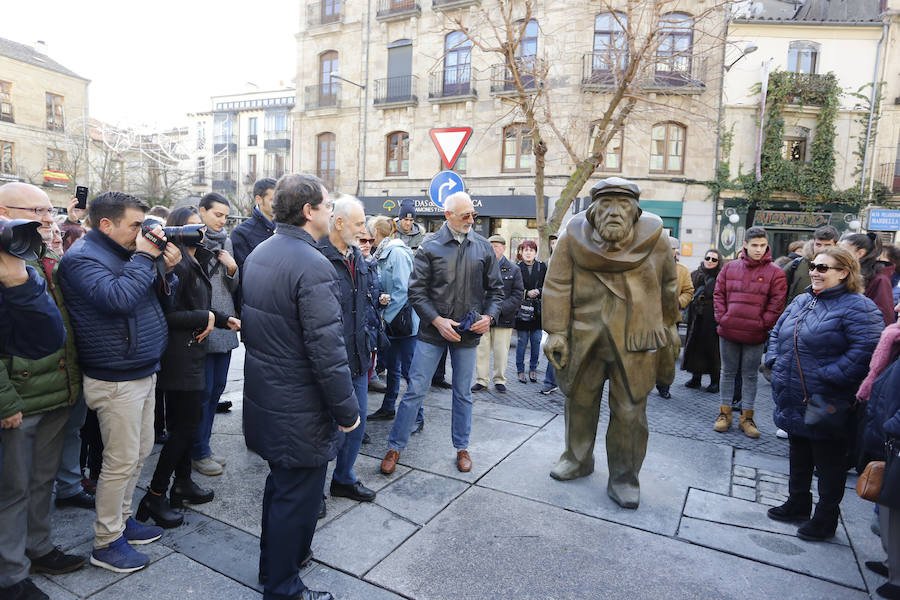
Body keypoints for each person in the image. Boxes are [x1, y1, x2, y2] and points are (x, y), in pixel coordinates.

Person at [242, 174, 359, 600]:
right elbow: (327, 352)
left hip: (270, 397)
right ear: (309, 212)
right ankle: (283, 586)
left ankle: (276, 566)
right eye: (327, 206)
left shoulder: (261, 251)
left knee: (282, 488)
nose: (332, 213)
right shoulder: (312, 264)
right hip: (299, 407)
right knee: (298, 498)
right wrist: (347, 412)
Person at [59, 191, 181, 573]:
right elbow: (118, 299)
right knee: (119, 461)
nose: (141, 233)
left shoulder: (124, 252)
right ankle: (106, 541)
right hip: (114, 377)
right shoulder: (81, 259)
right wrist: (146, 256)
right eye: (134, 226)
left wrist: (164, 269)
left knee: (138, 454)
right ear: (106, 224)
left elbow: (151, 301)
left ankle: (122, 521)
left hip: (142, 368)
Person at [542, 177, 680, 508]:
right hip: (584, 336)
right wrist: (556, 331)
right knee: (579, 402)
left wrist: (670, 327)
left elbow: (668, 287)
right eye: (606, 205)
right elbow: (557, 285)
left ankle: (624, 477)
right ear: (591, 211)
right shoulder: (571, 239)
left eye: (622, 205)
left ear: (636, 211)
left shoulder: (657, 242)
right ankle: (577, 459)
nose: (614, 212)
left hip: (636, 339)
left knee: (630, 413)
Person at [0, 183, 85, 600]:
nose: (48, 218)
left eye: (49, 209)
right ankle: (11, 573)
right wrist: (4, 399)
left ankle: (39, 547)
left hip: (58, 388)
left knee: (41, 479)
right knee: (11, 489)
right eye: (37, 210)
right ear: (3, 211)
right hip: (19, 398)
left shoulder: (46, 252)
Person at [380, 191, 503, 476]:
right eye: (465, 215)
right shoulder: (430, 246)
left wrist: (490, 316)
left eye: (473, 215)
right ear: (448, 215)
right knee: (414, 391)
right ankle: (395, 446)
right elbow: (416, 292)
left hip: (469, 333)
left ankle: (462, 447)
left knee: (463, 394)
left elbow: (496, 291)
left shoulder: (483, 247)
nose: (471, 220)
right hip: (433, 333)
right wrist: (437, 321)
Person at [765, 246, 882, 541]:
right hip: (792, 391)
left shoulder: (859, 307)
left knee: (827, 460)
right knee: (799, 449)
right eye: (813, 266)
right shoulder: (804, 299)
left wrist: (828, 377)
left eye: (823, 268)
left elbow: (866, 351)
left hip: (825, 398)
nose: (815, 272)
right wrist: (774, 361)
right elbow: (778, 332)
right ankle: (798, 503)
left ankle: (825, 519)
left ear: (844, 273)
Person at [138, 207, 240, 529]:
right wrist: (206, 318)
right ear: (175, 230)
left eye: (200, 227)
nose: (200, 232)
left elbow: (196, 307)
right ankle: (154, 495)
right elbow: (167, 316)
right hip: (179, 359)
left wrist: (222, 319)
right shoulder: (172, 263)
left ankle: (182, 485)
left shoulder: (194, 258)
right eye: (192, 227)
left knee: (186, 424)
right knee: (184, 429)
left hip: (190, 353)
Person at [318, 195, 379, 503]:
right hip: (329, 362)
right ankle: (314, 492)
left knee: (357, 424)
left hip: (358, 357)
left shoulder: (358, 257)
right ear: (338, 223)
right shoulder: (317, 257)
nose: (363, 230)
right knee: (325, 430)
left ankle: (344, 478)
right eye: (358, 223)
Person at [712, 226, 787, 438]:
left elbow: (777, 304)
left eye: (763, 245)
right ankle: (724, 414)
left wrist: (763, 324)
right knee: (727, 372)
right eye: (754, 245)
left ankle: (747, 417)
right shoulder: (729, 268)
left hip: (755, 333)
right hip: (729, 329)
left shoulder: (776, 273)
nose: (759, 249)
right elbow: (719, 295)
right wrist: (722, 318)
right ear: (745, 245)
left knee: (750, 376)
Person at [190, 193, 241, 476]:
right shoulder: (190, 240)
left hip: (225, 323)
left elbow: (231, 287)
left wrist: (233, 269)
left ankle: (204, 447)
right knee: (203, 392)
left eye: (225, 216)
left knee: (216, 391)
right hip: (201, 323)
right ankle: (197, 451)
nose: (223, 221)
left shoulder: (227, 242)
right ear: (202, 211)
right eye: (218, 215)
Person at [859, 300, 900, 599]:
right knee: (888, 508)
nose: (897, 308)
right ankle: (892, 565)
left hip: (896, 435)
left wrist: (895, 424)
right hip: (891, 437)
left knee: (894, 510)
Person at [367, 216, 422, 426]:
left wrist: (384, 315)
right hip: (393, 321)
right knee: (393, 367)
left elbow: (403, 290)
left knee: (409, 371)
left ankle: (418, 415)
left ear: (376, 233)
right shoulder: (382, 253)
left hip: (402, 322)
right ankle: (389, 407)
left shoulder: (396, 253)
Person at [472, 235, 523, 393]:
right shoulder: (480, 267)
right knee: (482, 350)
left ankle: (500, 379)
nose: (494, 249)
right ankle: (482, 379)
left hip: (503, 317)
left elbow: (517, 294)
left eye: (498, 246)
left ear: (504, 248)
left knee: (501, 351)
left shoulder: (514, 269)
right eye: (491, 246)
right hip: (483, 316)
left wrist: (497, 310)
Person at [656, 237, 693, 399]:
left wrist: (679, 302)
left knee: (670, 353)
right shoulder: (647, 266)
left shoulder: (682, 270)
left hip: (670, 318)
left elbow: (689, 291)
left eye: (670, 248)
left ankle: (664, 385)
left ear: (674, 251)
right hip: (647, 317)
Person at [682, 249, 724, 393]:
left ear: (719, 262)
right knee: (694, 347)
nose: (710, 261)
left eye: (714, 259)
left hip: (712, 317)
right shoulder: (696, 274)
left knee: (712, 349)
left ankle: (715, 381)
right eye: (708, 258)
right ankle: (696, 378)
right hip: (696, 316)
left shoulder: (722, 276)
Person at [840, 232, 895, 327]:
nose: (838, 254)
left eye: (843, 251)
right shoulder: (843, 273)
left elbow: (885, 317)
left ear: (860, 253)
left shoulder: (880, 279)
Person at [514, 240, 546, 384]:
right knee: (521, 343)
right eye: (525, 250)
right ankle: (520, 370)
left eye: (531, 250)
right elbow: (513, 288)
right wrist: (526, 293)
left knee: (536, 341)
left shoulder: (541, 267)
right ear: (521, 252)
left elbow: (547, 285)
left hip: (538, 311)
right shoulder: (516, 268)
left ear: (535, 252)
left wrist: (538, 291)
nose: (528, 253)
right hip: (522, 311)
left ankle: (533, 369)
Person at [231, 177, 277, 276]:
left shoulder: (286, 228)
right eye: (273, 200)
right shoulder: (241, 233)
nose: (278, 204)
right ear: (258, 199)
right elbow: (243, 275)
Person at [783, 226, 838, 303]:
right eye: (818, 245)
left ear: (836, 245)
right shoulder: (796, 265)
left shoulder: (842, 268)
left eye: (827, 245)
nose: (822, 249)